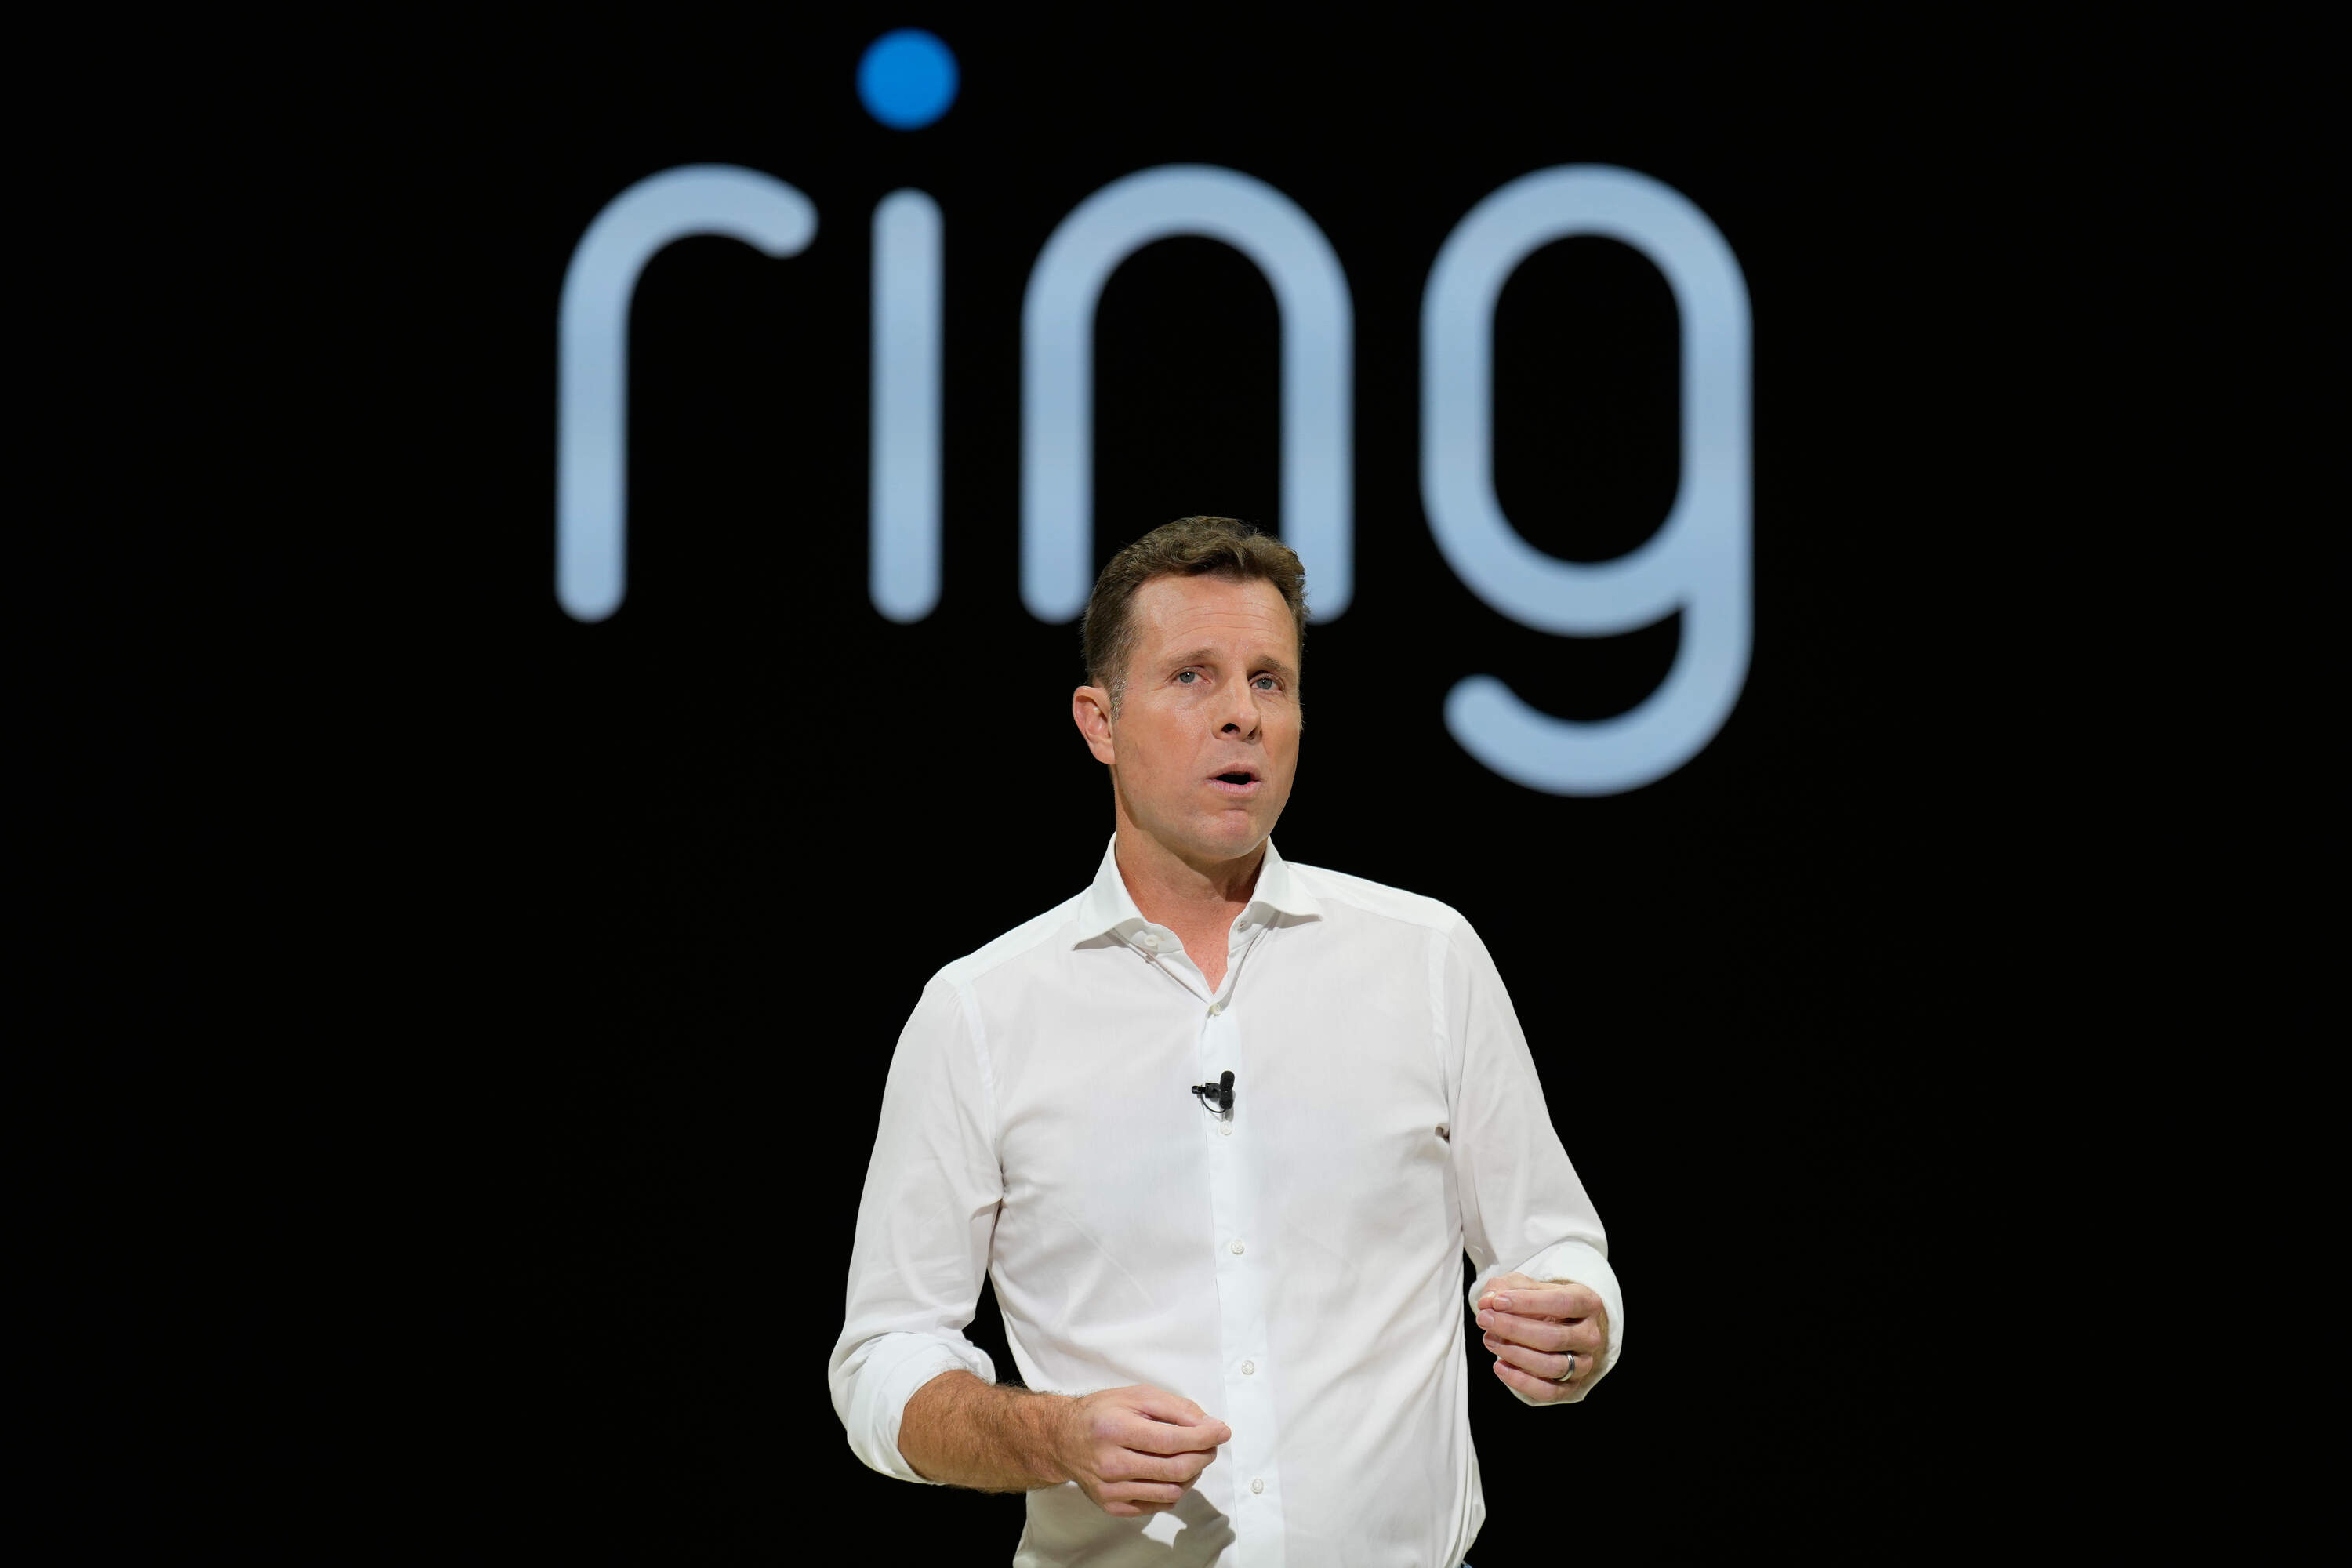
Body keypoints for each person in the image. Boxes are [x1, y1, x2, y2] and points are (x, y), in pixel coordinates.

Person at [829, 517, 1621, 1566]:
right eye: (1192, 678)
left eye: (1270, 681)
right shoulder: (980, 1011)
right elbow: (885, 1362)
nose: (1242, 715)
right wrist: (1052, 1436)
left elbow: (1556, 1249)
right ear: (1099, 722)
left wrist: (1579, 1326)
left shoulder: (1427, 957)